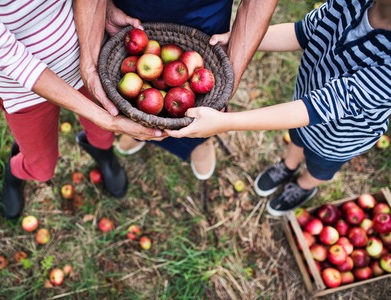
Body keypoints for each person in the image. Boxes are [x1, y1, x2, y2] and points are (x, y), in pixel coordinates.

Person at [0, 0, 164, 219]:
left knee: (103, 136)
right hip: (21, 89)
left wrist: (103, 8)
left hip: (88, 55)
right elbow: (5, 54)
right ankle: (15, 168)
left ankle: (104, 155)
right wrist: (106, 119)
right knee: (42, 169)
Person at [166, 0, 391, 216]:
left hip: (340, 136)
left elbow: (320, 106)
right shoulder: (354, 3)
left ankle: (304, 185)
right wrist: (235, 39)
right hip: (301, 106)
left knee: (319, 166)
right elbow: (304, 32)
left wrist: (226, 122)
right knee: (296, 138)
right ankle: (288, 165)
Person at [105, 0, 278, 180]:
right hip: (135, 17)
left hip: (204, 17)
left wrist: (231, 76)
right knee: (140, 111)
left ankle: (200, 142)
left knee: (202, 109)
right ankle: (141, 135)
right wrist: (107, 7)